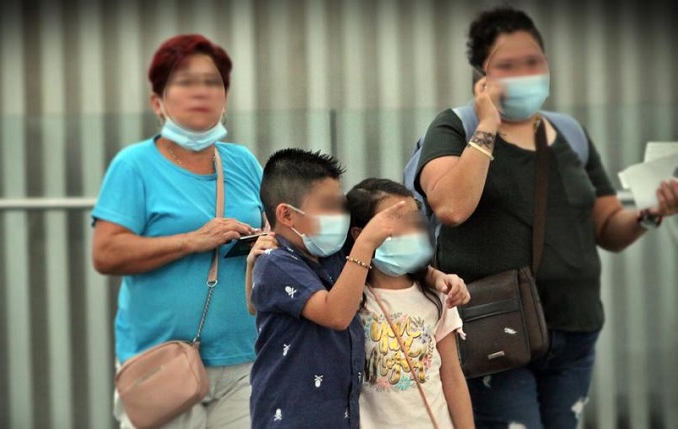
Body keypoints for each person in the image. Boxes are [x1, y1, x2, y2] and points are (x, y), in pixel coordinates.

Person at [413, 7, 678, 429]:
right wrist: (487, 123)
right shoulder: (455, 127)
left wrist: (651, 214)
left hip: (575, 332)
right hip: (496, 335)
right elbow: (450, 206)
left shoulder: (569, 132)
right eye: (508, 65)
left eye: (533, 61)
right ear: (482, 75)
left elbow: (606, 228)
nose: (524, 73)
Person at [92, 34, 263, 428]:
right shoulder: (133, 165)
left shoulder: (243, 162)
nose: (201, 91)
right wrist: (193, 240)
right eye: (185, 81)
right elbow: (106, 253)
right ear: (158, 102)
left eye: (213, 81)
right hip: (161, 362)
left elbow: (271, 232)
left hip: (243, 358)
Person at [247, 149, 470, 429]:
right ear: (287, 215)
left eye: (341, 207)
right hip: (292, 416)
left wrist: (436, 277)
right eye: (328, 207)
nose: (339, 217)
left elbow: (387, 263)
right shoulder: (278, 261)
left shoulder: (331, 257)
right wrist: (367, 241)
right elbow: (336, 314)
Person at [345, 178, 474, 429]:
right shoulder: (349, 299)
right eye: (396, 221)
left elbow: (452, 375)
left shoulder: (437, 295)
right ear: (360, 235)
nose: (413, 231)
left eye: (415, 220)